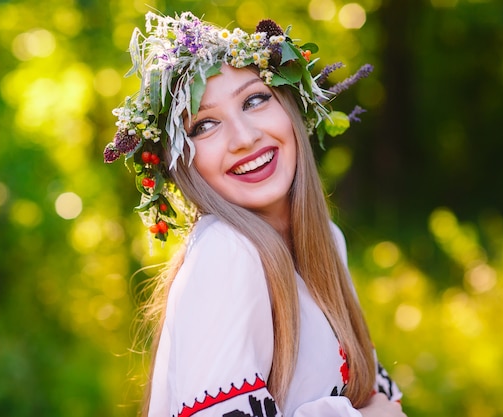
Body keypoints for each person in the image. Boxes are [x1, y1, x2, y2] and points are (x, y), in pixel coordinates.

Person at [104, 11, 406, 417]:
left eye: (255, 100)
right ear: (182, 164)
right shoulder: (226, 253)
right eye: (205, 125)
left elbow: (372, 396)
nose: (244, 138)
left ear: (291, 107)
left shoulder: (327, 240)